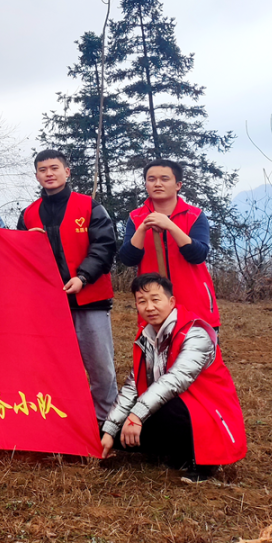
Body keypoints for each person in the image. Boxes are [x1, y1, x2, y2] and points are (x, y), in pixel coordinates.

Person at [101, 274, 246, 480]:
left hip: (209, 412)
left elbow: (176, 380)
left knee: (170, 408)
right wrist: (109, 429)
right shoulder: (146, 335)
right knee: (116, 436)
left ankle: (206, 462)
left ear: (171, 302)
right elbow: (133, 386)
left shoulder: (196, 333)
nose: (149, 307)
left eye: (155, 299)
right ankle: (179, 452)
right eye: (142, 302)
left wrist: (136, 416)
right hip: (172, 407)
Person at [17, 149, 118, 425]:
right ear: (36, 175)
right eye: (42, 169)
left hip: (90, 300)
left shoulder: (89, 206)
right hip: (48, 304)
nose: (49, 174)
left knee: (101, 369)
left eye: (54, 168)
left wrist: (83, 277)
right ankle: (63, 424)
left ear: (67, 172)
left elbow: (105, 247)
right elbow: (17, 255)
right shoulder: (28, 214)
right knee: (54, 368)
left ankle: (106, 424)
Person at [117, 160, 219, 328]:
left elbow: (198, 255)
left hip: (195, 304)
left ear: (178, 185)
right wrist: (143, 228)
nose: (157, 184)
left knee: (198, 353)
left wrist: (170, 226)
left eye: (164, 179)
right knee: (156, 354)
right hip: (153, 306)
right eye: (151, 179)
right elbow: (128, 258)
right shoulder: (136, 218)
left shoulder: (194, 216)